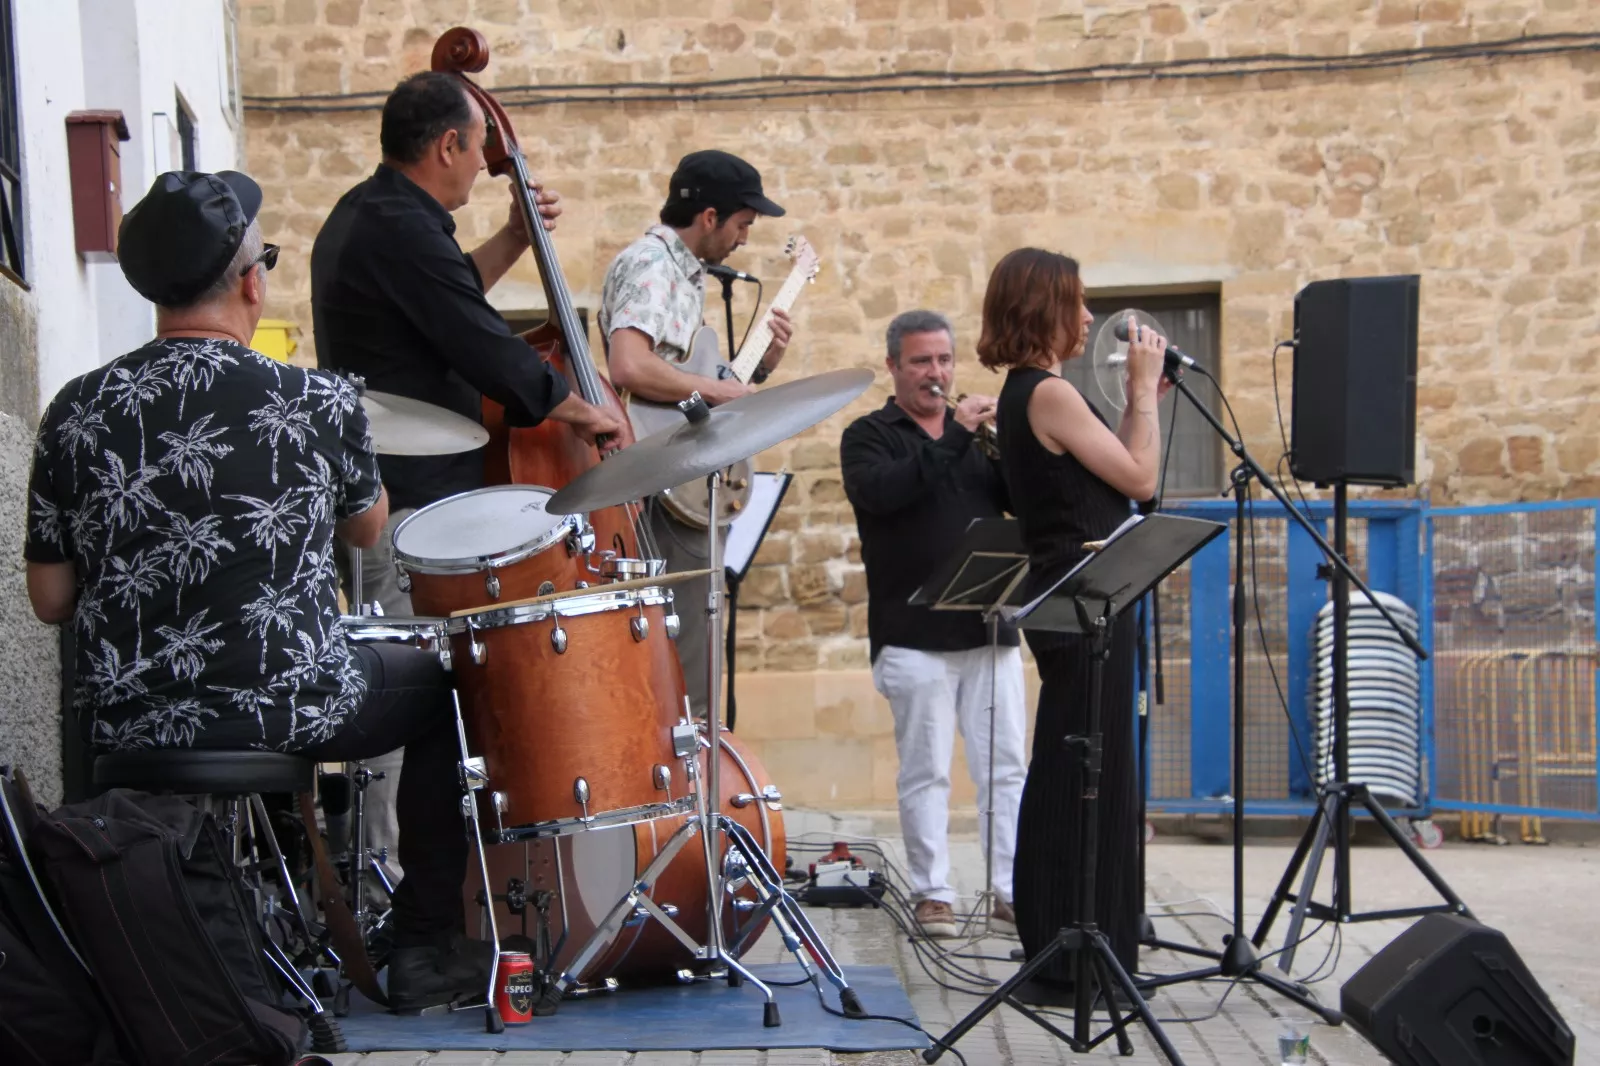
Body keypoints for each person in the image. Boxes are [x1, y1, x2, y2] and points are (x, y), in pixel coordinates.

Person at [24, 170, 490, 1012]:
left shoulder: (75, 411)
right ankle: (425, 944)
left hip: (130, 721)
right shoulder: (314, 398)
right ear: (251, 280)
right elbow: (366, 530)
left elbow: (51, 600)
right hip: (292, 705)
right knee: (447, 687)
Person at [311, 71, 624, 864]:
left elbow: (452, 300)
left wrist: (518, 238)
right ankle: (377, 870)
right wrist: (579, 407)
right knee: (399, 696)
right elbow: (478, 340)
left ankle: (398, 871)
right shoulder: (397, 227)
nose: (484, 164)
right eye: (479, 148)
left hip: (405, 492)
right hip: (400, 501)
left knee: (406, 689)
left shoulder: (380, 216)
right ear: (448, 144)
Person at [977, 248, 1169, 1002]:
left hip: (1088, 594)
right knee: (1082, 775)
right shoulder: (1047, 393)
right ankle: (1072, 952)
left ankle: (1091, 945)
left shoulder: (1035, 393)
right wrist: (1146, 391)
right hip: (1081, 600)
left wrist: (1133, 398)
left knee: (1088, 767)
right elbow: (1143, 480)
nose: (1089, 318)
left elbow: (1118, 468)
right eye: (1078, 303)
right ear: (1043, 308)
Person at [839, 310, 1027, 940]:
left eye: (944, 360)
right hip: (913, 634)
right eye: (922, 361)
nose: (936, 373)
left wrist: (1014, 439)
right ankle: (933, 894)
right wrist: (955, 439)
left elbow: (1020, 500)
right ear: (894, 366)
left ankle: (1007, 890)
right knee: (928, 770)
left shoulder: (977, 439)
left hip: (989, 627)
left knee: (1005, 767)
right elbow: (886, 494)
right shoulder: (870, 436)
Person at [599, 149, 793, 717]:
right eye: (742, 225)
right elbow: (629, 366)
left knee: (691, 647)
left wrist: (755, 371)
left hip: (673, 473)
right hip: (660, 482)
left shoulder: (682, 275)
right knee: (681, 657)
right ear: (710, 217)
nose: (744, 241)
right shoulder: (655, 266)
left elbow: (684, 382)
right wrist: (725, 392)